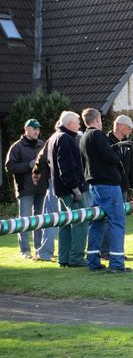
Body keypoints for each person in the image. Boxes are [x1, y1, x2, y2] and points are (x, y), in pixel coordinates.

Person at [79, 108, 131, 273]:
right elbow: (109, 157)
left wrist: (114, 146)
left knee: (97, 222)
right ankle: (116, 264)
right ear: (97, 120)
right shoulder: (98, 135)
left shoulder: (84, 137)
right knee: (117, 221)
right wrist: (119, 150)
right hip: (108, 185)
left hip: (94, 185)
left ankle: (93, 261)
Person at [47, 111, 89, 267]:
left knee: (65, 223)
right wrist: (75, 188)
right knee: (80, 221)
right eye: (78, 122)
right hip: (71, 190)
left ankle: (63, 258)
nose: (79, 125)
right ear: (70, 124)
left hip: (60, 189)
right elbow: (66, 167)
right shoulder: (65, 139)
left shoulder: (54, 137)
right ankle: (76, 257)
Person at [5, 119, 48, 259]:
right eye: (34, 128)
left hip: (41, 189)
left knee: (40, 220)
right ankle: (25, 251)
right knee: (24, 220)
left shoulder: (42, 145)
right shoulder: (16, 147)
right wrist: (28, 166)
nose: (37, 131)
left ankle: (38, 249)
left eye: (38, 129)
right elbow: (9, 167)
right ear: (26, 129)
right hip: (25, 189)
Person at [100, 114, 133, 260]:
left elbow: (132, 167)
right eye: (129, 127)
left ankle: (117, 251)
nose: (131, 130)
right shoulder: (104, 140)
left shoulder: (128, 144)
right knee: (106, 220)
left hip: (122, 188)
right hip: (109, 186)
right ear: (121, 126)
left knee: (119, 220)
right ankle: (105, 251)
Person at [31, 122, 60, 262]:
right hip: (76, 184)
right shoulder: (78, 137)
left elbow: (41, 158)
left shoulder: (53, 139)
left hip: (55, 183)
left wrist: (36, 172)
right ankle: (72, 252)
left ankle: (45, 252)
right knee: (74, 219)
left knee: (50, 218)